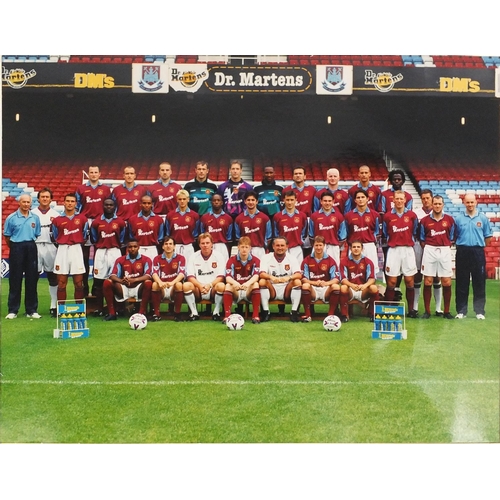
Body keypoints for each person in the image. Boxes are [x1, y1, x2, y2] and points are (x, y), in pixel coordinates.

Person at [454, 193, 492, 320]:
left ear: (476, 202)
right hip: (462, 251)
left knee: (479, 282)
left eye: (472, 202)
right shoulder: (458, 219)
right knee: (461, 281)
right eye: (467, 202)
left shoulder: (483, 218)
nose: (470, 204)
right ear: (464, 203)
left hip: (477, 252)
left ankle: (479, 311)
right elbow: (454, 236)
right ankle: (461, 310)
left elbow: (488, 237)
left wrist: (478, 247)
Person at [3, 193, 41, 319]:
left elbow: (36, 234)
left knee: (31, 279)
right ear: (19, 203)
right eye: (23, 202)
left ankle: (31, 309)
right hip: (16, 247)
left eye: (28, 202)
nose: (26, 204)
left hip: (30, 247)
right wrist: (15, 247)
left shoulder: (35, 218)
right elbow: (7, 237)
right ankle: (13, 310)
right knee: (15, 279)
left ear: (31, 203)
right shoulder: (11, 218)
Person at [75, 165, 112, 296]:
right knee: (83, 257)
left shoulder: (106, 189)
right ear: (88, 174)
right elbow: (76, 206)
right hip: (85, 222)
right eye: (91, 172)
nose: (94, 174)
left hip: (100, 223)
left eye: (96, 172)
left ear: (100, 174)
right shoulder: (81, 188)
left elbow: (110, 206)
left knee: (99, 256)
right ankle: (84, 288)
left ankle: (97, 289)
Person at [382, 191, 419, 318]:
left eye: (401, 199)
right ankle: (389, 309)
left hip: (408, 250)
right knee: (391, 281)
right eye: (396, 199)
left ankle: (411, 310)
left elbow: (414, 231)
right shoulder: (387, 216)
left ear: (405, 200)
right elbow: (385, 234)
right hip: (394, 250)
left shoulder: (412, 215)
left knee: (409, 281)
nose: (399, 201)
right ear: (393, 200)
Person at [419, 195, 456, 320]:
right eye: (435, 204)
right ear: (432, 204)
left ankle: (446, 311)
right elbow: (422, 239)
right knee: (428, 280)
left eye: (440, 204)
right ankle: (427, 311)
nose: (437, 206)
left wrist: (445, 246)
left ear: (443, 205)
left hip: (445, 250)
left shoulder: (450, 220)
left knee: (446, 281)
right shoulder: (424, 221)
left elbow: (452, 237)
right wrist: (431, 247)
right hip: (429, 249)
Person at [89, 198, 127, 316]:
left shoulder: (120, 222)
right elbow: (94, 238)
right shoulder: (96, 222)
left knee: (115, 280)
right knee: (98, 281)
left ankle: (116, 308)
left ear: (114, 207)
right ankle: (99, 308)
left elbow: (122, 238)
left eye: (111, 205)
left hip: (115, 251)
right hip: (100, 252)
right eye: (106, 205)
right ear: (103, 206)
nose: (109, 207)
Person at [51, 192, 89, 303]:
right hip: (62, 250)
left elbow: (85, 235)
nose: (70, 203)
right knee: (61, 283)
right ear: (64, 202)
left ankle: (79, 308)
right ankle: (61, 309)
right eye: (67, 201)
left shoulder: (82, 219)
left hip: (76, 249)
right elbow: (54, 237)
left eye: (72, 201)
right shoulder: (57, 220)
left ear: (76, 203)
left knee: (78, 283)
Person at [102, 239, 153, 321]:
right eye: (130, 247)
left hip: (138, 287)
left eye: (135, 247)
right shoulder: (120, 260)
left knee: (148, 283)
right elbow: (112, 275)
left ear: (139, 247)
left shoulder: (146, 260)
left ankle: (142, 313)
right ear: (127, 248)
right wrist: (121, 281)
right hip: (124, 287)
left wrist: (135, 280)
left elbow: (148, 275)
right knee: (107, 282)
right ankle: (112, 313)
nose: (132, 249)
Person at [413, 189, 443, 315]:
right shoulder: (416, 213)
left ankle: (438, 308)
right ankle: (415, 307)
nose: (425, 200)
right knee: (418, 274)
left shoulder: (439, 212)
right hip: (419, 246)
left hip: (435, 247)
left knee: (436, 276)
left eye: (427, 198)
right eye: (423, 198)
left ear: (432, 199)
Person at [183, 233, 226, 321]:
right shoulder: (194, 256)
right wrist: (199, 285)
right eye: (203, 243)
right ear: (199, 245)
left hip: (212, 287)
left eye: (207, 243)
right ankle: (194, 313)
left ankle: (216, 313)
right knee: (186, 285)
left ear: (212, 244)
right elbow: (190, 276)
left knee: (221, 286)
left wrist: (209, 285)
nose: (205, 245)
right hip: (198, 289)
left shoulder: (219, 256)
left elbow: (221, 276)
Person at [258, 236, 302, 322]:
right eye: (277, 245)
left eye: (282, 245)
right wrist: (271, 277)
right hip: (272, 288)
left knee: (297, 281)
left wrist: (288, 277)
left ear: (287, 246)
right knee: (262, 281)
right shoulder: (266, 257)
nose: (280, 248)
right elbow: (262, 273)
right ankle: (266, 312)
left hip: (286, 288)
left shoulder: (292, 258)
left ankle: (294, 312)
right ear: (273, 246)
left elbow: (298, 274)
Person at [32, 188, 60, 317]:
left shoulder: (56, 214)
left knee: (52, 276)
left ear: (51, 199)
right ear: (38, 199)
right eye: (42, 196)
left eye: (47, 197)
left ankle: (53, 305)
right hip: (35, 246)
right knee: (33, 277)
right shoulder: (32, 213)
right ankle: (32, 307)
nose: (44, 199)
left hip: (51, 246)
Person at [300, 236, 342, 322]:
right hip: (313, 288)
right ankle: (308, 315)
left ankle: (330, 315)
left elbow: (336, 279)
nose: (318, 248)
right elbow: (304, 278)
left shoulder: (330, 260)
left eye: (320, 245)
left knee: (336, 287)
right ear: (313, 246)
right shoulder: (306, 260)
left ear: (324, 246)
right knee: (305, 285)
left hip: (325, 288)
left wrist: (325, 283)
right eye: (316, 245)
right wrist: (315, 283)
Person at [222, 236, 262, 324]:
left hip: (248, 290)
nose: (244, 249)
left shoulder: (256, 260)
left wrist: (247, 284)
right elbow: (228, 277)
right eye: (242, 247)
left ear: (250, 248)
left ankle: (255, 316)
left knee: (255, 284)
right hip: (236, 289)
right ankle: (227, 316)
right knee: (228, 285)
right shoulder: (231, 260)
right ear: (238, 247)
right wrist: (235, 283)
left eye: (246, 247)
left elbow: (256, 276)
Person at [339, 240, 380, 322]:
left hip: (363, 290)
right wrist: (352, 285)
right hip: (350, 289)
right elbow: (343, 279)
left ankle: (373, 314)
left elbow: (372, 278)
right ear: (350, 248)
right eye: (354, 247)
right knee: (343, 287)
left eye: (358, 247)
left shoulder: (368, 262)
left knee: (374, 288)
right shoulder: (344, 262)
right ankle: (344, 315)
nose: (356, 249)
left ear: (362, 249)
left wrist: (364, 286)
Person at [344, 189, 381, 276]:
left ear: (367, 198)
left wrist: (371, 240)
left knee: (371, 274)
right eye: (358, 198)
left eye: (363, 197)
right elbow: (347, 232)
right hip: (354, 247)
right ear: (355, 200)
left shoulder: (375, 215)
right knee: (353, 273)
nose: (360, 199)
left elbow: (378, 232)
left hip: (369, 246)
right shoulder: (348, 216)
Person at [150, 237, 186, 322]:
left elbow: (182, 273)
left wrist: (172, 283)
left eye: (170, 244)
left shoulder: (181, 258)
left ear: (174, 246)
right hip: (162, 286)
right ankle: (156, 314)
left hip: (173, 287)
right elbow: (154, 273)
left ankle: (177, 314)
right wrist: (160, 282)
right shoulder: (157, 258)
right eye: (166, 244)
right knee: (155, 284)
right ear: (162, 246)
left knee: (179, 284)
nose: (168, 246)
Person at [308, 190, 347, 265]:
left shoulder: (339, 216)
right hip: (318, 247)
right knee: (317, 269)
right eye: (325, 201)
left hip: (333, 247)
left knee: (334, 270)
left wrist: (335, 245)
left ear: (333, 202)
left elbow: (342, 236)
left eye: (329, 201)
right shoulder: (314, 216)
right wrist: (318, 245)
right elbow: (311, 235)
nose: (327, 203)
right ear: (321, 201)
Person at [234, 190, 272, 261]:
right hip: (245, 249)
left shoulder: (264, 218)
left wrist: (264, 248)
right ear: (245, 201)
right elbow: (238, 238)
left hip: (259, 250)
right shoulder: (239, 219)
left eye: (253, 200)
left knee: (260, 271)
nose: (250, 202)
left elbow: (269, 238)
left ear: (257, 201)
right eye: (248, 200)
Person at [273, 189, 308, 263]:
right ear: (284, 200)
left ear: (296, 200)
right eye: (287, 200)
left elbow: (304, 233)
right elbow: (276, 235)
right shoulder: (277, 216)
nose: (289, 202)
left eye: (292, 200)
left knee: (298, 272)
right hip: (282, 249)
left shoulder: (302, 216)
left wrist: (300, 241)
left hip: (296, 248)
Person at [164, 189, 200, 261]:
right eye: (180, 199)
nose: (182, 201)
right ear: (177, 200)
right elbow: (168, 233)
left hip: (188, 247)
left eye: (184, 199)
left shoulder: (195, 215)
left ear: (188, 199)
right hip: (175, 247)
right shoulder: (170, 215)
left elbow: (196, 234)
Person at [127, 194, 164, 260]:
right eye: (144, 203)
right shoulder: (132, 219)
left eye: (149, 203)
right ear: (140, 204)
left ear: (152, 204)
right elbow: (131, 237)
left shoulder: (158, 219)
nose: (146, 205)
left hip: (152, 249)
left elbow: (160, 238)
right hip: (138, 249)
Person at [199, 193, 233, 262]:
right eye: (214, 200)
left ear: (222, 202)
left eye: (218, 200)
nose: (216, 202)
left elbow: (229, 238)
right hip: (208, 246)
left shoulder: (228, 218)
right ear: (211, 202)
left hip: (222, 246)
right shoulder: (204, 217)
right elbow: (202, 235)